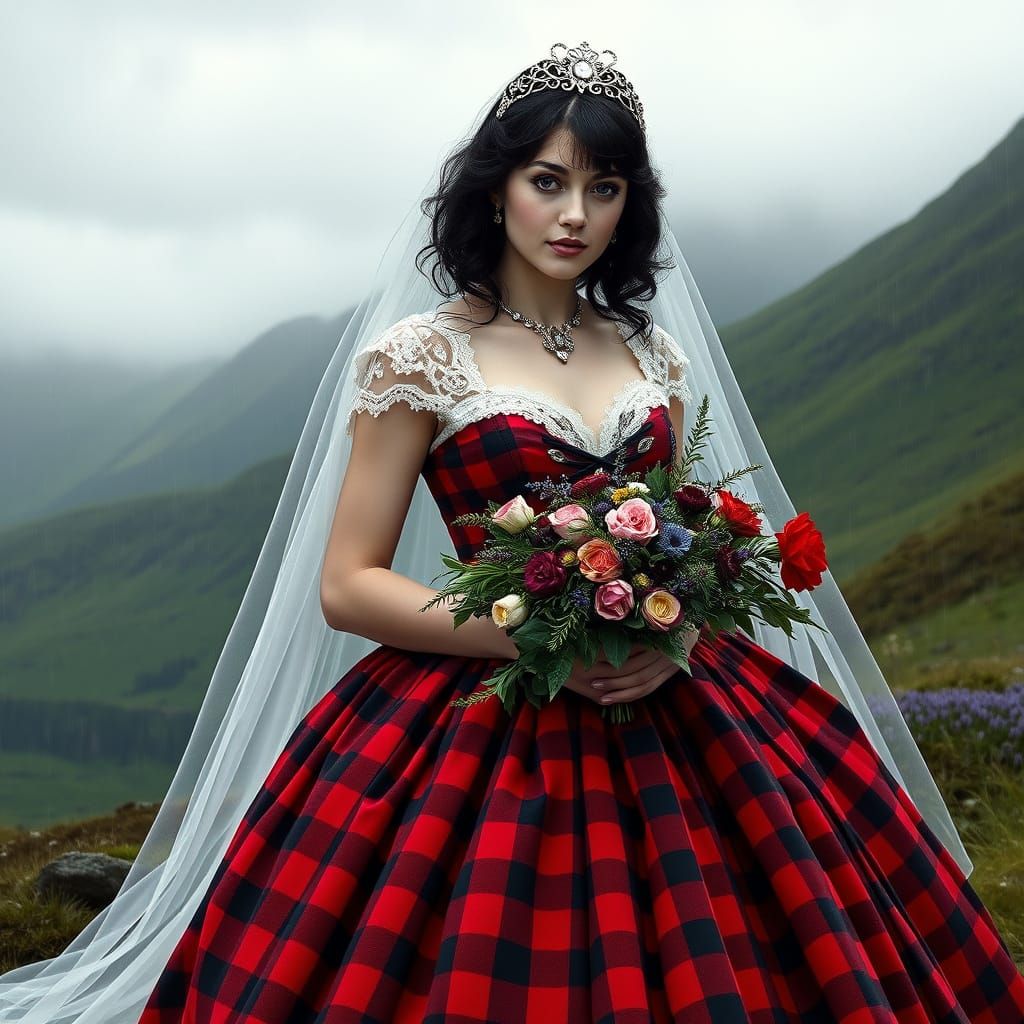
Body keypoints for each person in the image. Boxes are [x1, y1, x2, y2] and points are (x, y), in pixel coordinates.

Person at [3, 40, 1023, 1024]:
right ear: (496, 188)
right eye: (549, 181)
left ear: (630, 205)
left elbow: (681, 536)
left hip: (677, 694)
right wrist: (534, 636)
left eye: (605, 188)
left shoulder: (651, 352)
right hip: (484, 710)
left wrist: (669, 629)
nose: (575, 213)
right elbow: (349, 583)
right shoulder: (421, 356)